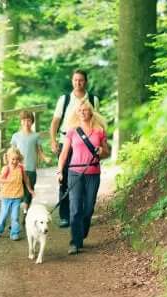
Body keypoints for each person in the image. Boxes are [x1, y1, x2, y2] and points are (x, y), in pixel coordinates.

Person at [57, 100, 109, 254]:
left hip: (93, 173)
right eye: (80, 110)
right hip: (75, 173)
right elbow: (64, 154)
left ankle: (82, 232)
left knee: (88, 208)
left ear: (91, 112)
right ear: (76, 113)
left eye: (85, 110)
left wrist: (101, 151)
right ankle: (74, 241)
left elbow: (106, 152)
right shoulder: (72, 131)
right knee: (74, 209)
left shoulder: (99, 130)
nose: (83, 112)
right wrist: (60, 172)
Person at [50, 69, 100, 228]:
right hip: (67, 140)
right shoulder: (64, 99)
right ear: (72, 81)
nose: (78, 83)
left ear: (86, 81)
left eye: (81, 80)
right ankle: (65, 216)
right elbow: (55, 122)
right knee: (64, 178)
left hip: (88, 144)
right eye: (75, 80)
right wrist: (53, 140)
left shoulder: (93, 99)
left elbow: (97, 121)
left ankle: (82, 214)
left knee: (85, 178)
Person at [11, 111, 51, 218]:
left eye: (28, 120)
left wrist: (45, 158)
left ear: (32, 122)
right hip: (18, 169)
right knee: (18, 192)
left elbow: (39, 151)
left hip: (31, 169)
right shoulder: (15, 136)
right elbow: (12, 152)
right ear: (20, 122)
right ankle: (16, 215)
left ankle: (26, 214)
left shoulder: (35, 136)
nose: (26, 122)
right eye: (24, 120)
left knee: (29, 192)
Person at [0, 147, 35, 241]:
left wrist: (30, 189)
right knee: (4, 215)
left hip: (17, 196)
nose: (15, 161)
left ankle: (14, 233)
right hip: (6, 196)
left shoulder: (21, 168)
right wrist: (8, 180)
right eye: (13, 159)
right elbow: (0, 180)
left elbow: (26, 179)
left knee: (15, 216)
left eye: (17, 159)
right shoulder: (6, 169)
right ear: (8, 158)